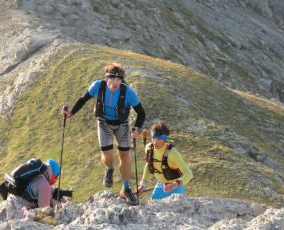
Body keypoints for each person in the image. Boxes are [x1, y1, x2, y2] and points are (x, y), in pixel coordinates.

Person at [62, 63, 146, 205]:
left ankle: (126, 188)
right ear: (106, 78)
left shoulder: (128, 92)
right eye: (112, 79)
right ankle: (109, 168)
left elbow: (141, 112)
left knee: (125, 155)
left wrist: (136, 129)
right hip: (103, 123)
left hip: (122, 125)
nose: (115, 83)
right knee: (108, 156)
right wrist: (71, 113)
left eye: (119, 80)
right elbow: (83, 99)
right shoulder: (97, 86)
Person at [138, 121, 193, 199]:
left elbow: (189, 174)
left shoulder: (172, 153)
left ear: (164, 139)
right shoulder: (149, 148)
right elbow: (149, 166)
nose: (154, 142)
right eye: (153, 138)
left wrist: (174, 185)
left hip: (176, 188)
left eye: (158, 139)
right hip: (160, 186)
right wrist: (142, 186)